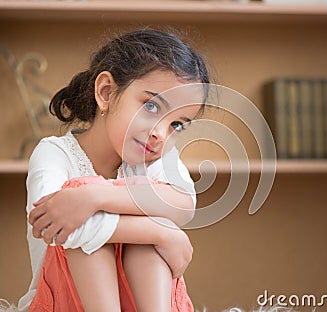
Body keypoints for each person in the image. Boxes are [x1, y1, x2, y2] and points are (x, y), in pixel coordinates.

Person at [16, 28, 210, 312]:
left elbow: (184, 204)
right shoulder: (53, 153)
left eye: (176, 124)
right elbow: (58, 228)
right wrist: (164, 234)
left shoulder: (155, 158)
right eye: (152, 107)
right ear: (106, 92)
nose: (161, 133)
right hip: (63, 303)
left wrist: (97, 197)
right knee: (81, 203)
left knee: (141, 233)